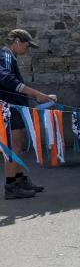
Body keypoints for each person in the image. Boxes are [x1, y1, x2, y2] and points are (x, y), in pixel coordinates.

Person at [0, 29, 56, 199]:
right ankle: (11, 186)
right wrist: (36, 94)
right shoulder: (6, 55)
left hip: (15, 108)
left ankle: (19, 179)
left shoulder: (10, 56)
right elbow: (6, 79)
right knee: (12, 146)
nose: (27, 49)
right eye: (26, 45)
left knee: (18, 144)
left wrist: (36, 98)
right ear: (16, 41)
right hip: (10, 109)